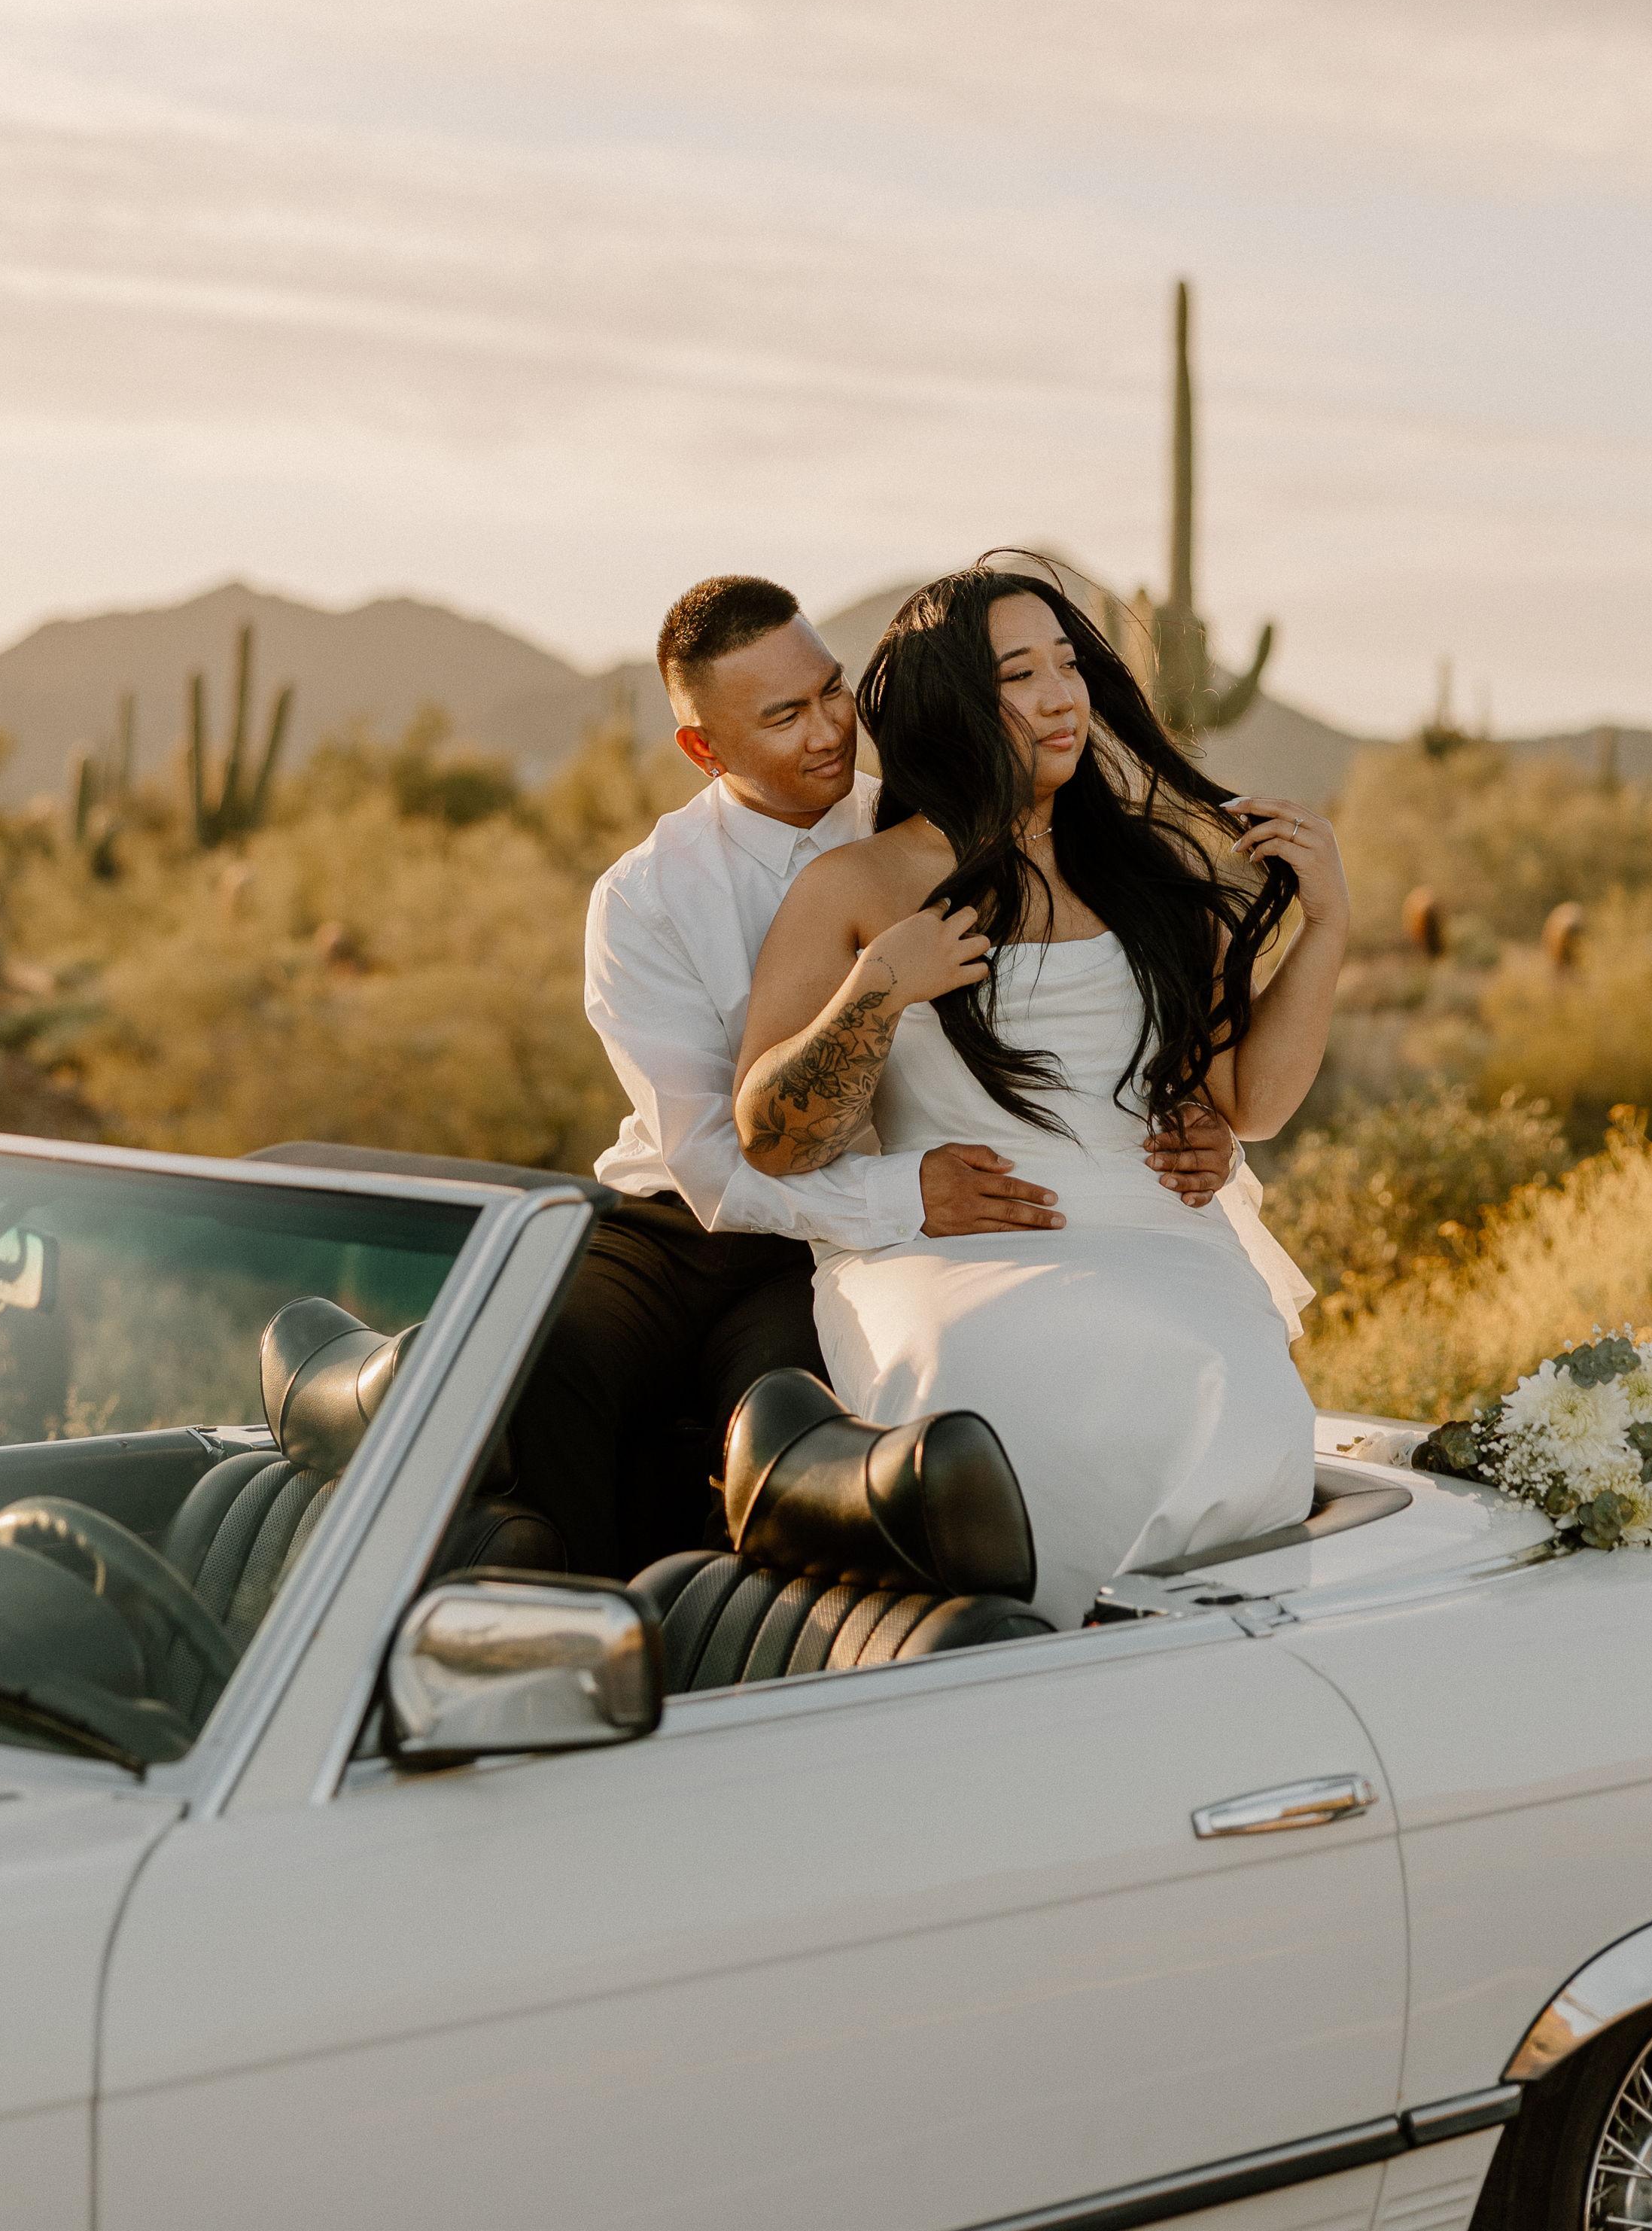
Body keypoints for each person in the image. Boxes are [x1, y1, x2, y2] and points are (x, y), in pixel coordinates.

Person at [500, 572, 1248, 1577]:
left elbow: (1080, 1002)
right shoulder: (645, 897)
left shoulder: (935, 826)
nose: (827, 733)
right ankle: (570, 1623)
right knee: (542, 1354)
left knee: (793, 1425)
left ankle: (756, 1635)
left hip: (853, 1235)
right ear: (704, 750)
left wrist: (1195, 1115)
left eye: (832, 692)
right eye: (783, 717)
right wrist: (905, 1195)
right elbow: (713, 1160)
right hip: (684, 1217)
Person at [732, 562, 1348, 1630]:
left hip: (1162, 1235)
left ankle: (1195, 1657)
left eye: (1070, 665)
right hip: (954, 1250)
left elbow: (1250, 1103)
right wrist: (878, 990)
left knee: (1224, 1373)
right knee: (1013, 1377)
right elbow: (771, 1138)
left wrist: (1327, 925)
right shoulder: (857, 886)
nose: (1063, 697)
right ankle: (1026, 1654)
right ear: (951, 705)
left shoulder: (1149, 874)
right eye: (1020, 675)